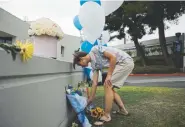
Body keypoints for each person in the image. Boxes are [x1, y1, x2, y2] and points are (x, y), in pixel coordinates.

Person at [73, 45, 134, 125]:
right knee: (110, 87)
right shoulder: (94, 64)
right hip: (120, 64)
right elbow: (94, 82)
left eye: (80, 64)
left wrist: (109, 75)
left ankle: (107, 116)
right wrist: (91, 98)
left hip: (125, 62)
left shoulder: (95, 49)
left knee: (107, 85)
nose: (82, 66)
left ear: (81, 58)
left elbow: (113, 58)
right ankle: (123, 110)